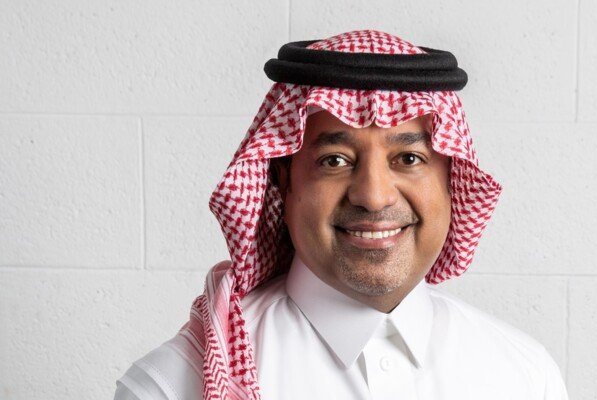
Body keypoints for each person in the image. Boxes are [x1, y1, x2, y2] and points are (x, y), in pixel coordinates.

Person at [114, 30, 569, 400]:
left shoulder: (525, 376)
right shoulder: (172, 387)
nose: (373, 196)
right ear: (283, 181)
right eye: (335, 160)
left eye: (409, 159)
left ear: (452, 182)